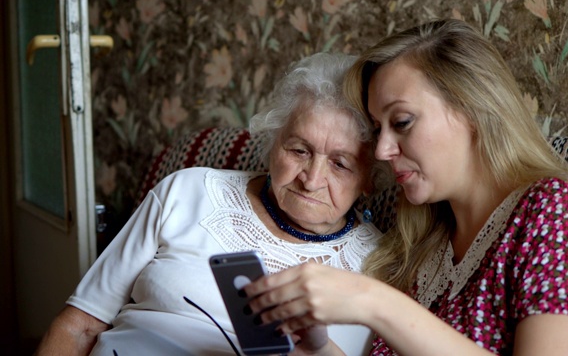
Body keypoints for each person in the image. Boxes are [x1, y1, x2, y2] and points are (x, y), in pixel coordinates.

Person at [244, 19, 568, 355]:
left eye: (403, 122)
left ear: (473, 107)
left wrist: (372, 301)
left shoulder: (559, 213)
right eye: (378, 129)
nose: (381, 150)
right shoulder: (427, 241)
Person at [35, 52, 391, 356]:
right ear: (272, 141)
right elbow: (78, 327)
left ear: (369, 178)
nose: (311, 179)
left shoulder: (383, 266)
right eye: (299, 150)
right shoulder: (187, 191)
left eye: (340, 164)